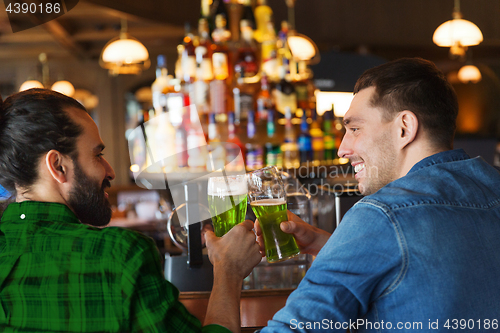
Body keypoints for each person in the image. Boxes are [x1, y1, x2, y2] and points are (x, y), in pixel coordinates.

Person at [208, 58, 500, 332]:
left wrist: (227, 271)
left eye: (355, 128)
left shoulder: (381, 216)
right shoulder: (492, 187)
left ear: (405, 128)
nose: (342, 149)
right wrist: (333, 247)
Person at [0, 89, 261, 333]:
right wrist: (229, 270)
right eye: (97, 155)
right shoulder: (120, 254)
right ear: (57, 165)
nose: (110, 171)